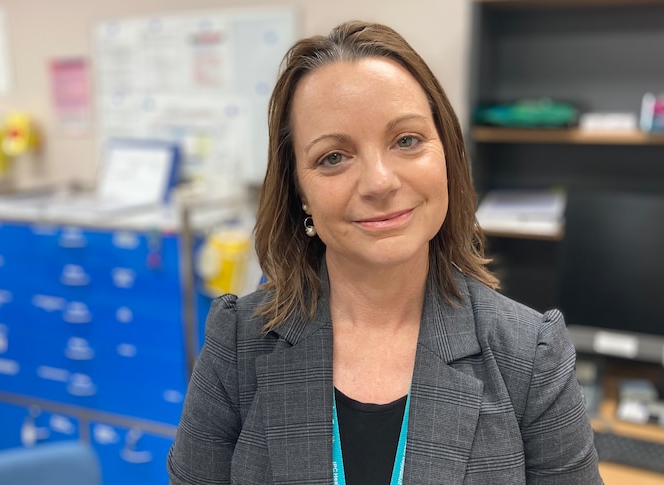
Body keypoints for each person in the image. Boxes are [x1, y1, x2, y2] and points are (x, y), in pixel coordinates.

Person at [167, 20, 602, 485]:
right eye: (333, 157)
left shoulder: (529, 355)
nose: (379, 182)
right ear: (301, 193)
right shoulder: (237, 342)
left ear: (448, 156)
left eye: (407, 141)